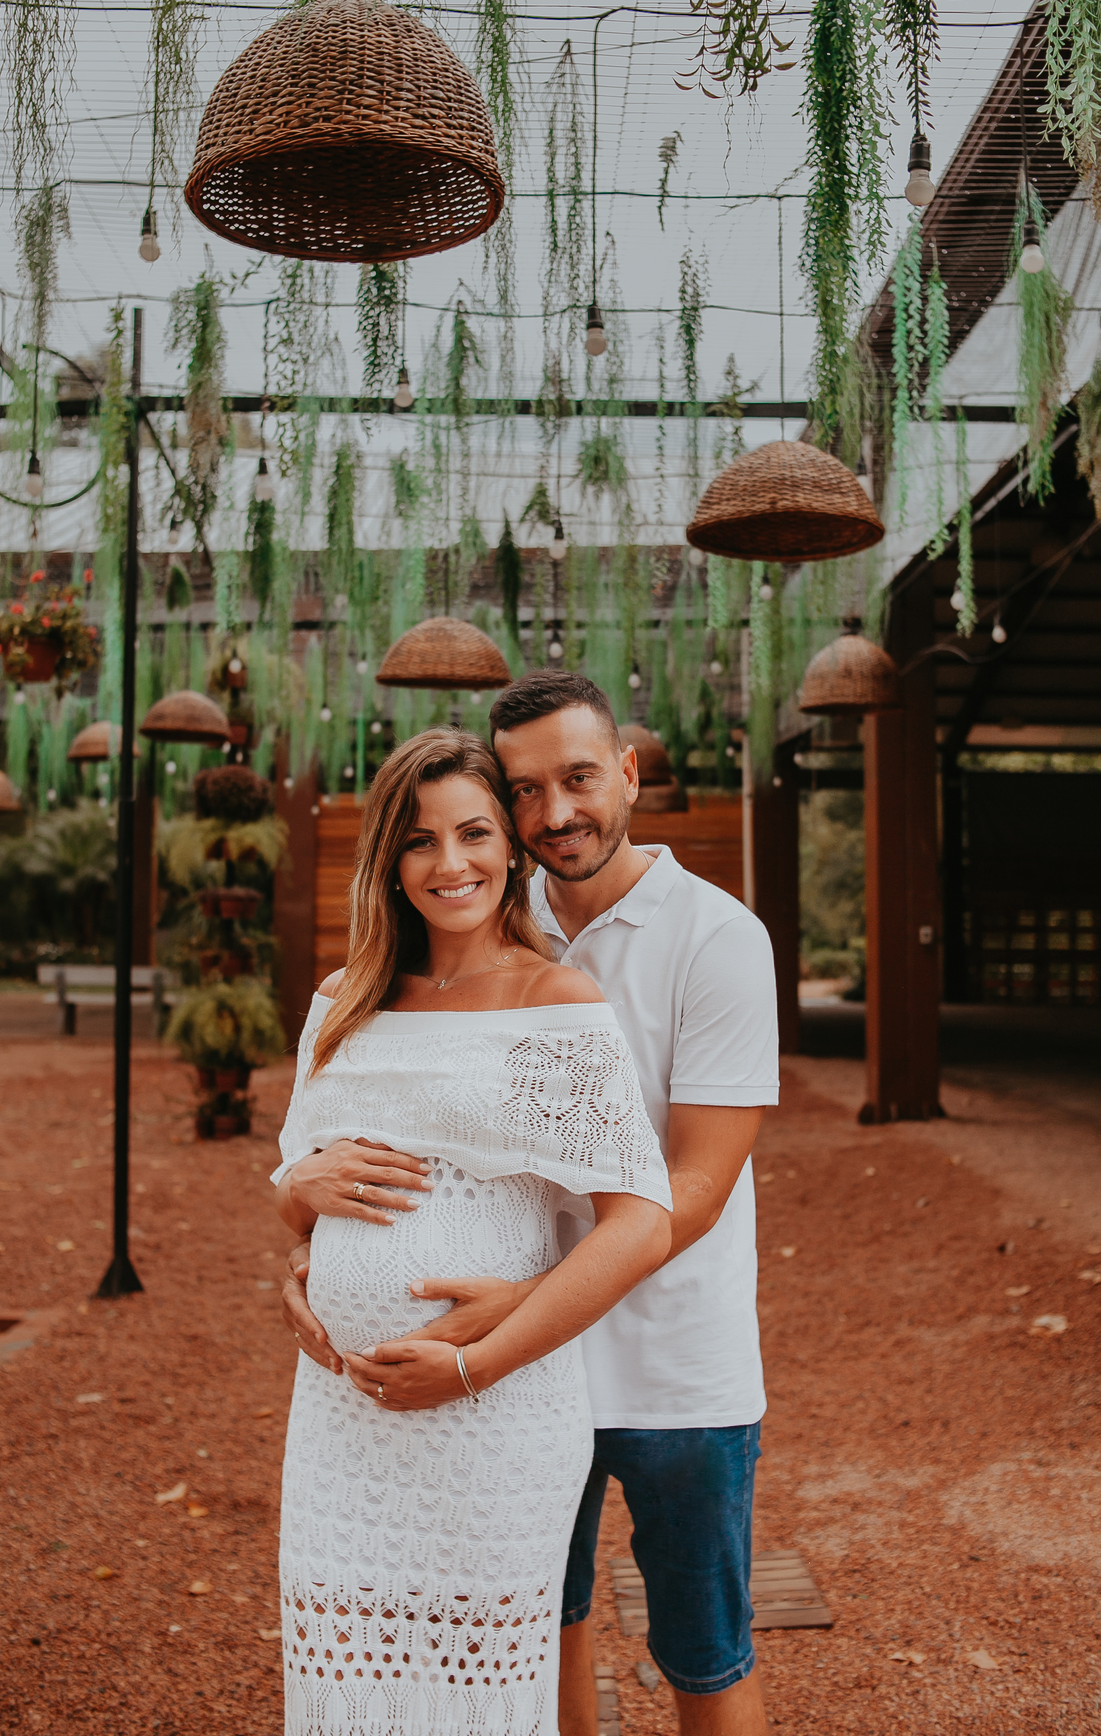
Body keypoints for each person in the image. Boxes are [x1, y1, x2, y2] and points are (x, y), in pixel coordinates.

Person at [284, 673, 779, 1736]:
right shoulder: (482, 928)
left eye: (580, 778)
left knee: (702, 1650)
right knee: (532, 1639)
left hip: (669, 1366)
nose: (556, 811)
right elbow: (390, 1148)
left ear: (630, 773)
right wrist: (313, 1242)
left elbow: (683, 1190)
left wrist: (510, 1316)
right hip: (516, 1397)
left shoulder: (716, 939)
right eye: (528, 790)